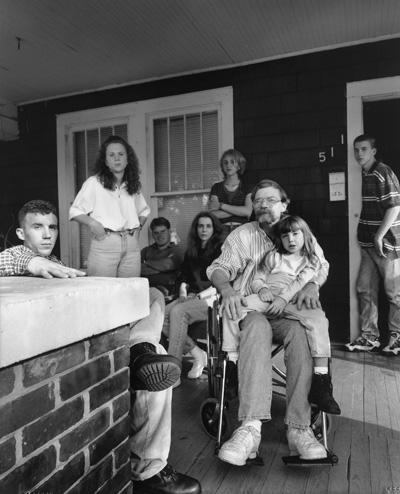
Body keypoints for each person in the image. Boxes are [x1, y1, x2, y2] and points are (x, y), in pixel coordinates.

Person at [1, 200, 201, 494]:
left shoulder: (56, 264)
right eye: (37, 227)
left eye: (52, 227)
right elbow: (4, 261)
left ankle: (140, 350)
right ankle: (148, 471)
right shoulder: (16, 257)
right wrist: (29, 261)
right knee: (156, 357)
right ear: (21, 233)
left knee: (153, 296)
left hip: (88, 335)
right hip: (65, 356)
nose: (47, 234)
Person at [207, 179, 330, 465]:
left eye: (270, 200)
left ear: (284, 205)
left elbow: (320, 265)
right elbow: (219, 268)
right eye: (258, 200)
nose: (263, 204)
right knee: (257, 327)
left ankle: (299, 428)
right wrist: (226, 289)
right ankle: (250, 428)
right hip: (254, 310)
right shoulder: (243, 235)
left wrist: (313, 286)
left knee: (301, 332)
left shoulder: (297, 231)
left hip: (290, 312)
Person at [222, 214, 340, 415]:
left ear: (306, 235)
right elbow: (258, 278)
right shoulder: (273, 256)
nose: (291, 240)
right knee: (233, 307)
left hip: (293, 300)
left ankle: (321, 380)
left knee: (319, 320)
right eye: (286, 236)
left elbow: (300, 283)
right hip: (268, 299)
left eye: (296, 234)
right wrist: (262, 290)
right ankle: (232, 363)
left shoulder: (310, 260)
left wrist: (283, 299)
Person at [346, 134, 400, 356]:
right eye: (356, 149)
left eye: (364, 149)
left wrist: (379, 236)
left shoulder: (382, 172)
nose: (359, 153)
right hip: (368, 244)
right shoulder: (366, 173)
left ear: (374, 151)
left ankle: (397, 338)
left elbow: (395, 207)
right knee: (365, 289)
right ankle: (370, 337)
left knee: (394, 292)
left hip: (386, 244)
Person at [69, 135, 150, 277]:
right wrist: (92, 223)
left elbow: (144, 211)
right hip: (105, 244)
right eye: (111, 155)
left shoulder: (132, 185)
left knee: (129, 292)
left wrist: (139, 228)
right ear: (105, 161)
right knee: (103, 293)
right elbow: (75, 211)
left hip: (131, 246)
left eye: (121, 154)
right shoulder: (94, 183)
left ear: (127, 159)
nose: (117, 158)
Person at [163, 212, 223, 384]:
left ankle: (171, 375)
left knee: (177, 312)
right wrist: (183, 292)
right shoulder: (193, 250)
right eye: (200, 226)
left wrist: (196, 296)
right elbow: (184, 276)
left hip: (212, 297)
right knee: (160, 317)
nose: (204, 230)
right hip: (191, 296)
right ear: (196, 228)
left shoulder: (222, 249)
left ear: (214, 229)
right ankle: (197, 353)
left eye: (208, 226)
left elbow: (223, 281)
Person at [209, 149, 253, 239]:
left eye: (232, 162)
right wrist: (239, 211)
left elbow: (248, 212)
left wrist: (221, 205)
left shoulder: (247, 187)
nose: (228, 165)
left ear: (239, 166)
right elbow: (213, 214)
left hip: (242, 230)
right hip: (221, 230)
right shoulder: (216, 187)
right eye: (225, 163)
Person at [141, 217, 183, 296]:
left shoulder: (176, 250)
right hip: (145, 293)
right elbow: (137, 269)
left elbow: (168, 265)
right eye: (156, 232)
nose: (160, 235)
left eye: (163, 231)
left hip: (170, 295)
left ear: (169, 231)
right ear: (152, 234)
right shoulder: (146, 251)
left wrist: (146, 262)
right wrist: (162, 269)